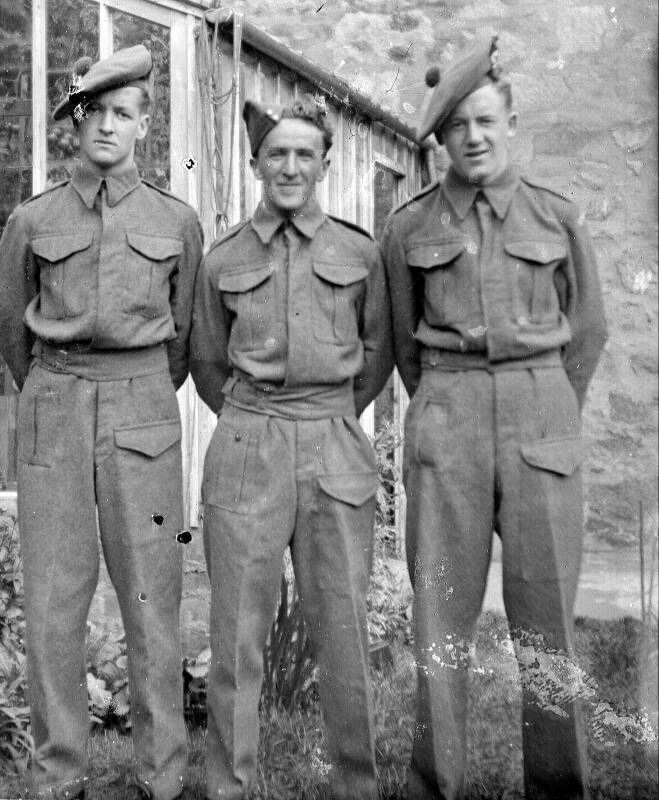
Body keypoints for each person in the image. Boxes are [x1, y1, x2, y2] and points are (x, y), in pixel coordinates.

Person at [381, 32, 607, 800]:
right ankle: (433, 784)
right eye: (456, 126)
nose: (472, 138)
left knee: (546, 617)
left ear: (510, 123)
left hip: (541, 414)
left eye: (484, 121)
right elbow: (401, 339)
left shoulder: (556, 215)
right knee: (439, 615)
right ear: (440, 139)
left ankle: (557, 785)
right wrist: (447, 401)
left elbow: (588, 330)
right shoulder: (409, 227)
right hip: (447, 413)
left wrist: (548, 406)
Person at [0, 45, 203, 800]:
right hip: (54, 405)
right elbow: (9, 329)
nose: (108, 125)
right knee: (53, 599)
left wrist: (134, 387)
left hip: (142, 409)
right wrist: (57, 389)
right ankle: (60, 774)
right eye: (95, 112)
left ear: (144, 125)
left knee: (152, 594)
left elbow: (184, 335)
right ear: (75, 125)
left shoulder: (175, 220)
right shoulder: (32, 218)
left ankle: (162, 775)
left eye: (124, 112)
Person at [190, 96, 393, 800]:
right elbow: (207, 361)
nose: (289, 166)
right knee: (236, 631)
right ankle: (228, 784)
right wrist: (255, 421)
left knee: (342, 627)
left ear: (325, 165)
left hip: (334, 441)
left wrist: (327, 416)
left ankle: (356, 785)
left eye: (305, 154)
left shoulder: (358, 252)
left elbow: (377, 353)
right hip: (249, 441)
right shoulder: (223, 258)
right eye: (276, 153)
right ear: (255, 164)